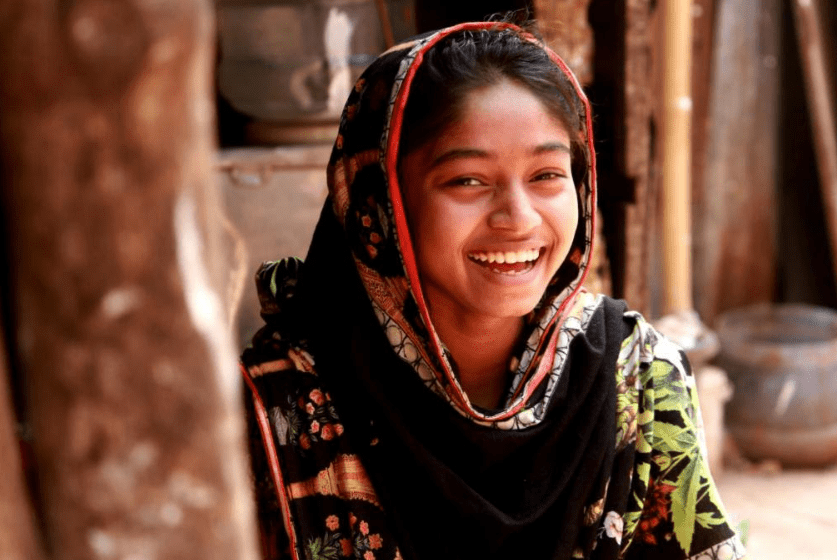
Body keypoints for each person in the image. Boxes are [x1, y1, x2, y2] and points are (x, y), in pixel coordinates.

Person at [240, 20, 745, 560]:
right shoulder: (274, 408)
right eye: (467, 181)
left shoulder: (639, 377)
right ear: (381, 202)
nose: (518, 218)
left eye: (547, 175)